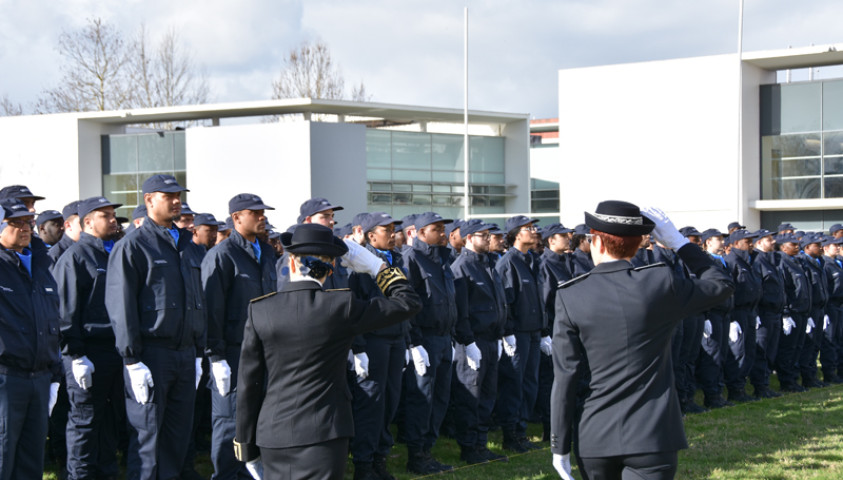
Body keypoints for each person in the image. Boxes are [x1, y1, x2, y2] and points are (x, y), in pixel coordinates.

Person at [550, 202, 733, 480]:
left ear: (597, 241)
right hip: (653, 433)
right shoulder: (659, 282)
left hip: (596, 434)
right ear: (637, 246)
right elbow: (720, 284)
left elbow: (566, 377)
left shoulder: (571, 295)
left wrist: (559, 447)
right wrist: (679, 243)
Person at [233, 223, 421, 479]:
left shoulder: (260, 310)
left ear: (290, 264)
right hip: (324, 432)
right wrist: (378, 267)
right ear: (328, 269)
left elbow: (248, 385)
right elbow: (408, 302)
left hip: (273, 433)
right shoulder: (341, 306)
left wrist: (246, 446)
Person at [105, 174, 206, 480]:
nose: (177, 201)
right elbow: (120, 305)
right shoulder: (134, 245)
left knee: (177, 440)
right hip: (152, 355)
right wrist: (132, 360)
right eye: (168, 196)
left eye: (178, 195)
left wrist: (199, 352)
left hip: (185, 354)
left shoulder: (187, 244)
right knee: (147, 440)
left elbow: (197, 298)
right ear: (149, 200)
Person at [201, 194, 277, 480]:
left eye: (263, 212)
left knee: (260, 417)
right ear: (236, 218)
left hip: (267, 350)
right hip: (233, 351)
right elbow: (211, 310)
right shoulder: (222, 255)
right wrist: (215, 356)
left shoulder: (268, 252)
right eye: (255, 212)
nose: (262, 217)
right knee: (230, 420)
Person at [53, 195, 124, 480]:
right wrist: (76, 354)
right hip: (88, 352)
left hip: (113, 351)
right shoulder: (75, 257)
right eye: (105, 215)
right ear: (87, 222)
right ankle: (80, 475)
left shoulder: (113, 252)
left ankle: (105, 473)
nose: (112, 220)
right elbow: (65, 311)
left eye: (112, 215)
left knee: (109, 420)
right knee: (84, 421)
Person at [0, 197, 62, 480]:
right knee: (3, 456)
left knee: (31, 461)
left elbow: (53, 321)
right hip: (6, 378)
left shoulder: (41, 263)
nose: (25, 228)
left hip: (39, 378)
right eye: (15, 223)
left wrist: (54, 376)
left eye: (27, 222)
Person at [347, 212, 407, 479]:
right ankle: (363, 463)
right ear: (371, 235)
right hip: (374, 340)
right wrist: (358, 347)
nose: (393, 235)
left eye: (394, 230)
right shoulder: (361, 262)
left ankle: (379, 458)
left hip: (396, 338)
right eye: (387, 230)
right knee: (371, 402)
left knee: (390, 401)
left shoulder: (398, 260)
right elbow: (354, 306)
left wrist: (408, 340)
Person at [401, 212, 460, 474]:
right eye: (436, 229)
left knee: (440, 398)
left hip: (444, 338)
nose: (443, 234)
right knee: (421, 399)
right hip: (424, 339)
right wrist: (414, 343)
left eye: (443, 229)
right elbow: (408, 303)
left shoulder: (443, 259)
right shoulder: (412, 259)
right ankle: (417, 455)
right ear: (421, 233)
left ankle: (428, 449)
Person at [449, 219, 509, 465]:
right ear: (469, 238)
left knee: (487, 395)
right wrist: (468, 341)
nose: (488, 238)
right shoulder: (462, 266)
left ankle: (481, 444)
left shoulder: (488, 264)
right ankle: (469, 447)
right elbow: (461, 310)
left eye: (488, 235)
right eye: (483, 235)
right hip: (473, 342)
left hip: (491, 339)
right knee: (470, 396)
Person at [496, 215, 545, 453]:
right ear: (516, 234)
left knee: (529, 383)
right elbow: (506, 301)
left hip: (534, 330)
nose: (534, 232)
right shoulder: (508, 262)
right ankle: (511, 433)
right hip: (518, 333)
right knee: (514, 383)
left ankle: (522, 430)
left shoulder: (532, 260)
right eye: (528, 228)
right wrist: (508, 333)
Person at [750, 229, 785, 398]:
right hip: (764, 313)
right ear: (758, 243)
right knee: (762, 351)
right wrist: (755, 313)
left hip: (775, 313)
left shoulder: (770, 260)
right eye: (768, 239)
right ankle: (760, 387)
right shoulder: (757, 261)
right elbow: (757, 289)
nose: (773, 242)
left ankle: (765, 384)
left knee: (771, 351)